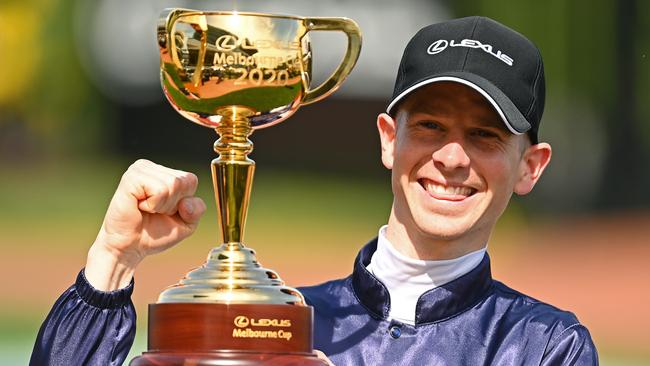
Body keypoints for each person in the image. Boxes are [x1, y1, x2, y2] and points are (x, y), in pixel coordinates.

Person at [31, 16, 598, 365]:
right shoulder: (276, 325)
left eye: (484, 136)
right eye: (429, 126)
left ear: (530, 167)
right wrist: (111, 262)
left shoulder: (544, 348)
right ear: (387, 139)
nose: (451, 157)